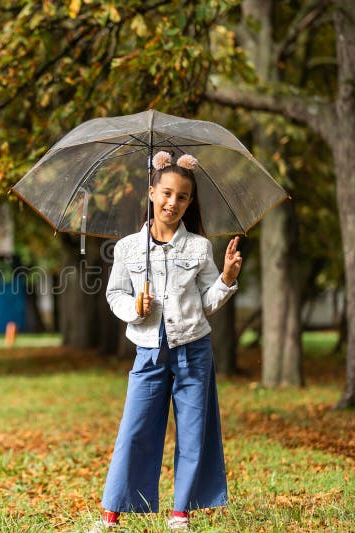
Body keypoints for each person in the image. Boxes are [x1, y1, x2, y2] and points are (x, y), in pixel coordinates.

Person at [89, 151, 243, 532]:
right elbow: (114, 295)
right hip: (148, 353)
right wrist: (135, 308)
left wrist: (224, 279)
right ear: (152, 192)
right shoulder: (127, 249)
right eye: (167, 194)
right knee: (135, 429)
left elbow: (206, 303)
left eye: (183, 197)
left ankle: (181, 514)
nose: (173, 203)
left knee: (194, 431)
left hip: (193, 351)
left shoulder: (199, 248)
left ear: (189, 203)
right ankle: (112, 514)